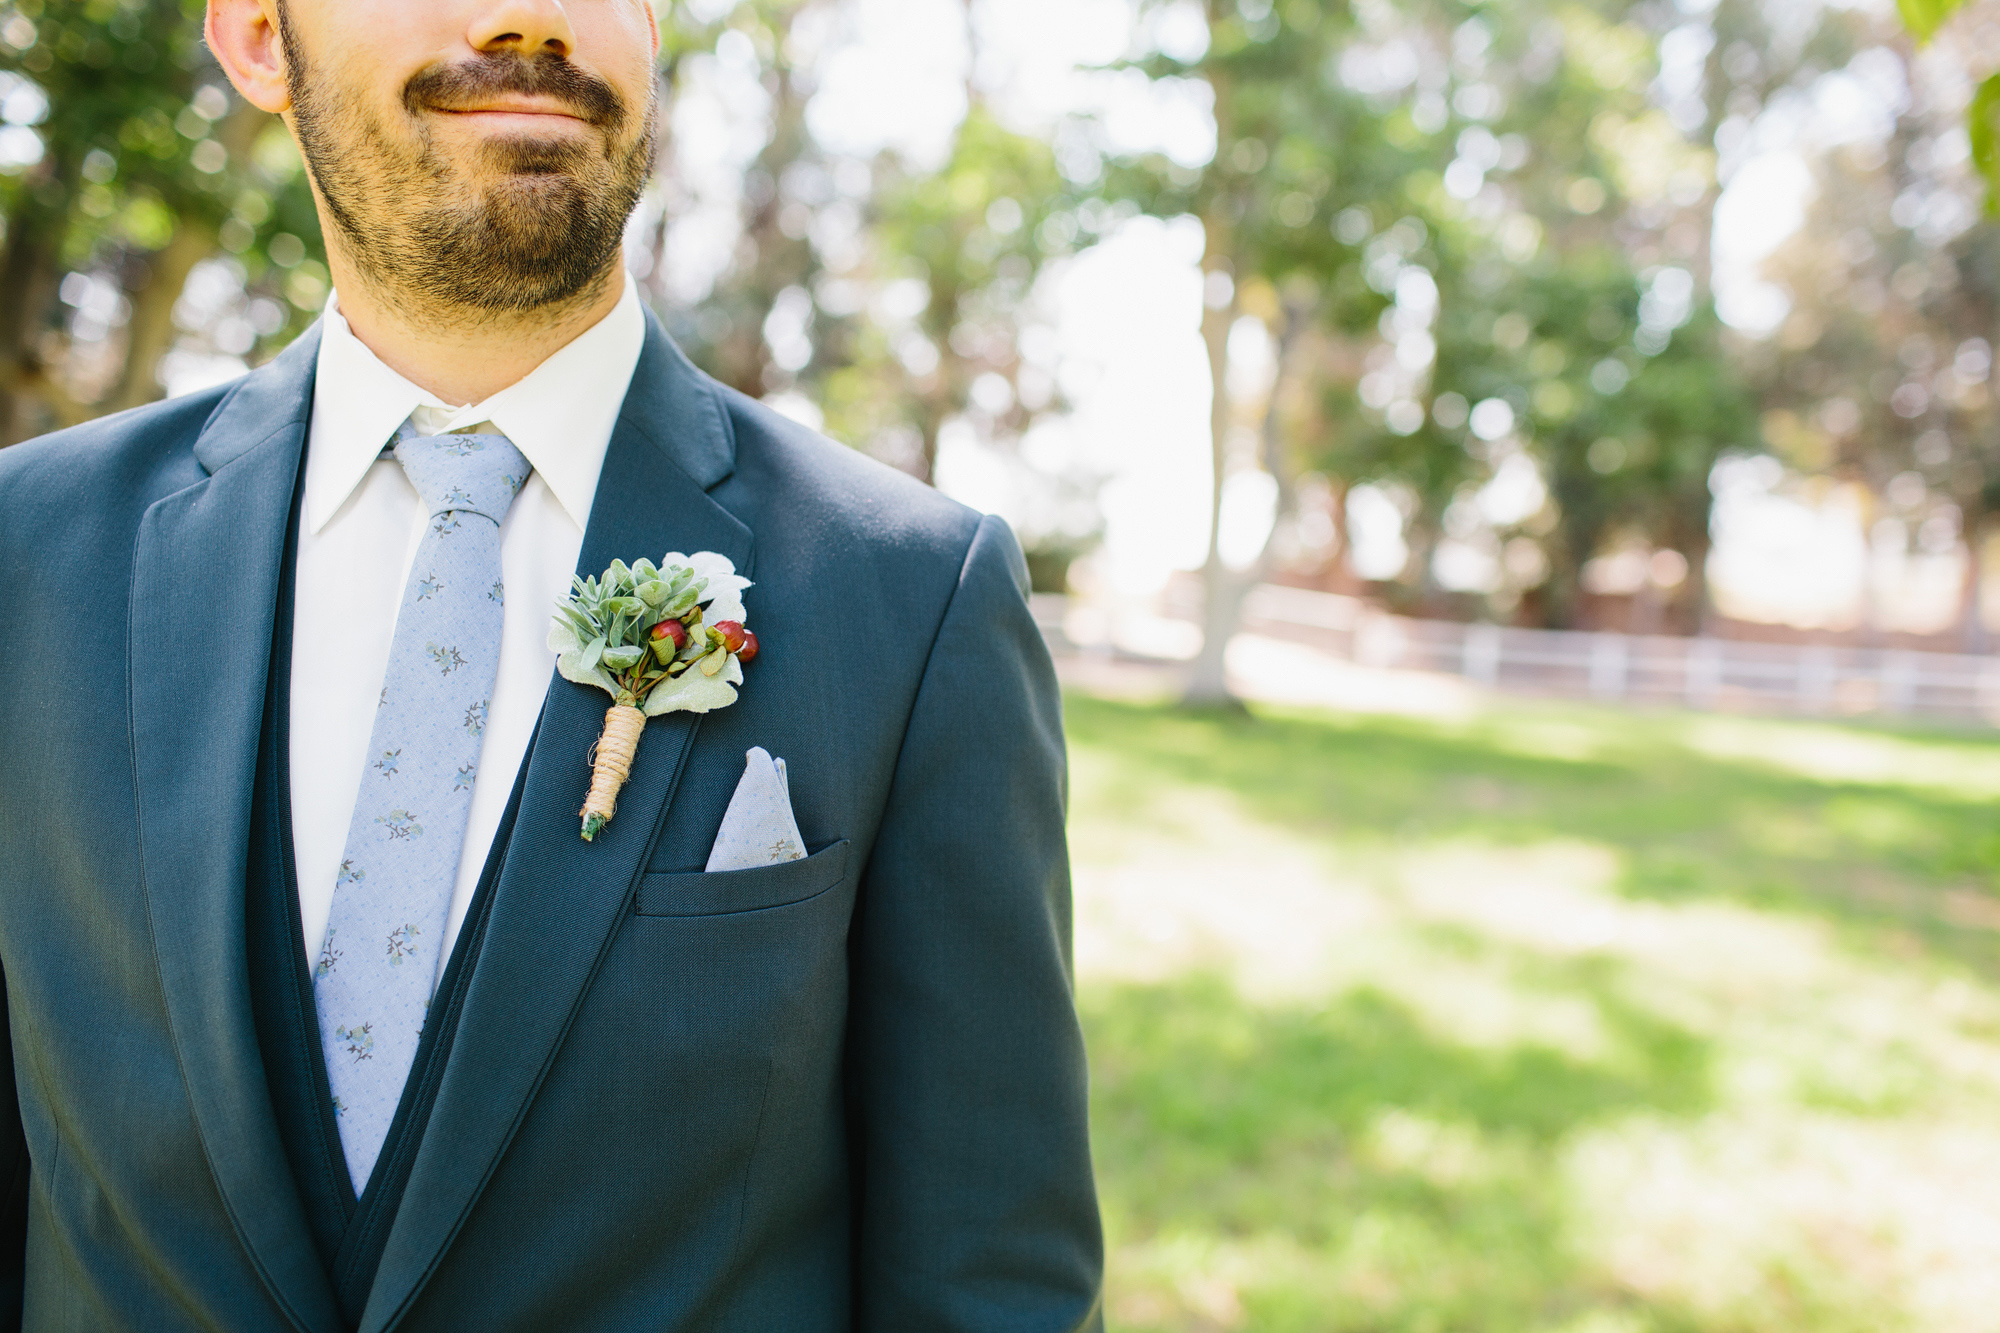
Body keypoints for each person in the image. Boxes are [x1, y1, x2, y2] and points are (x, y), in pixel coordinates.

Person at [0, 0, 1102, 1328]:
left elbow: (992, 1282)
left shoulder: (917, 595)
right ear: (252, 38)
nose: (528, 12)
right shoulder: (28, 556)